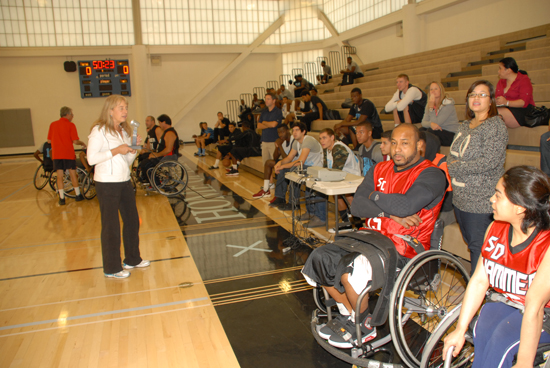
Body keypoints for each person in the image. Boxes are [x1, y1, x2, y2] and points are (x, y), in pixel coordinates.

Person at [301, 124, 446, 348]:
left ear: (419, 145)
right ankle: (351, 316)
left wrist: (372, 195)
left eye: (404, 143)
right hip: (369, 238)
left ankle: (364, 329)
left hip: (403, 247)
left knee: (352, 269)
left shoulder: (432, 174)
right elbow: (357, 206)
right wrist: (389, 212)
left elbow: (406, 204)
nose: (397, 149)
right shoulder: (380, 168)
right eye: (394, 143)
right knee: (321, 258)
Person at [443, 166, 550, 368]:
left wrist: (524, 364)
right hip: (508, 305)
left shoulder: (545, 244)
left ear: (520, 207)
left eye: (498, 195)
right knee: (483, 326)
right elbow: (479, 281)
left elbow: (534, 308)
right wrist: (459, 329)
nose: (491, 199)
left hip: (543, 316)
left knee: (501, 340)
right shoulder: (495, 228)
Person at [448, 80, 508, 273]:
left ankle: (477, 297)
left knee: (479, 248)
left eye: (482, 94)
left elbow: (489, 161)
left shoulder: (495, 126)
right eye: (473, 94)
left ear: (491, 101)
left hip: (480, 201)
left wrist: (458, 167)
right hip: (460, 199)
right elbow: (451, 155)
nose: (476, 98)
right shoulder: (465, 125)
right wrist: (453, 165)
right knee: (472, 243)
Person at [87, 95, 149, 279]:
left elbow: (127, 160)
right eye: (120, 107)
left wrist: (133, 149)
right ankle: (112, 268)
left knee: (131, 221)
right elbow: (91, 159)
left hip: (124, 181)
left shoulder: (122, 132)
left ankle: (132, 259)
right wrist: (116, 150)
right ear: (110, 110)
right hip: (107, 184)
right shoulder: (99, 130)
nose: (125, 111)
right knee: (111, 226)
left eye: (126, 107)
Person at [305, 128, 360, 230]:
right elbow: (326, 169)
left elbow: (335, 171)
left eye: (324, 138)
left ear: (332, 137)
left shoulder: (338, 148)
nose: (322, 141)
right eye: (320, 138)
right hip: (343, 177)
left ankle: (359, 224)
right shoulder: (327, 150)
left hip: (353, 179)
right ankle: (346, 224)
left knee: (348, 196)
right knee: (337, 196)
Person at [270, 122, 323, 211]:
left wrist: (283, 166)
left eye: (297, 130)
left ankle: (293, 203)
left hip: (315, 168)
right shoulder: (296, 142)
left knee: (294, 170)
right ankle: (280, 197)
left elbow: (300, 162)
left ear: (303, 132)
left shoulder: (308, 140)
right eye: (293, 130)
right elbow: (289, 157)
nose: (294, 132)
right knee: (283, 168)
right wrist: (280, 163)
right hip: (305, 167)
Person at [47, 106, 87, 205]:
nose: (72, 116)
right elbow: (75, 141)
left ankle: (61, 198)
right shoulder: (71, 125)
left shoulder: (53, 124)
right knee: (73, 174)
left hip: (57, 155)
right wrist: (82, 143)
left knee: (59, 176)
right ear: (67, 114)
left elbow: (49, 141)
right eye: (72, 114)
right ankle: (78, 195)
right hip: (68, 154)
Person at [253, 124, 293, 198]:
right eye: (279, 133)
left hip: (293, 164)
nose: (280, 134)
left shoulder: (293, 140)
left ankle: (280, 194)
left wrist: (280, 146)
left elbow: (288, 159)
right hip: (286, 162)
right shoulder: (283, 141)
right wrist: (277, 147)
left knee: (279, 166)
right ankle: (266, 189)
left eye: (282, 132)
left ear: (288, 131)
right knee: (268, 162)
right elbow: (275, 158)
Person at [495, 57, 536, 129]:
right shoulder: (501, 82)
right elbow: (497, 98)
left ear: (508, 70)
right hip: (507, 110)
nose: (498, 71)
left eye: (500, 68)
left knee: (496, 113)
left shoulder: (524, 80)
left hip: (523, 111)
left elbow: (524, 103)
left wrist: (506, 102)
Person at [138, 114, 180, 183]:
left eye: (160, 122)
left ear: (164, 122)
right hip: (163, 156)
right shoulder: (167, 132)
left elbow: (168, 150)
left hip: (168, 157)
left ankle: (156, 183)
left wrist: (157, 155)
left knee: (145, 163)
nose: (159, 124)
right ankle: (150, 181)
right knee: (144, 159)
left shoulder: (170, 133)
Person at [421, 81, 459, 146]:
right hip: (438, 131)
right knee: (420, 131)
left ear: (441, 91)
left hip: (450, 134)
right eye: (431, 89)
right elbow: (423, 122)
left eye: (436, 89)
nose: (433, 91)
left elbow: (437, 123)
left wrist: (431, 109)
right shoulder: (429, 104)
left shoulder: (447, 104)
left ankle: (429, 154)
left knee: (430, 132)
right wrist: (431, 124)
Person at [257, 93, 283, 167]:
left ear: (274, 100)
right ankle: (268, 179)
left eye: (268, 99)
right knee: (266, 165)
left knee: (276, 163)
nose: (266, 101)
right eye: (265, 99)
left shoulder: (277, 111)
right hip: (264, 141)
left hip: (273, 141)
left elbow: (274, 124)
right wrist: (269, 124)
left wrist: (264, 122)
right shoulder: (264, 112)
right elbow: (259, 126)